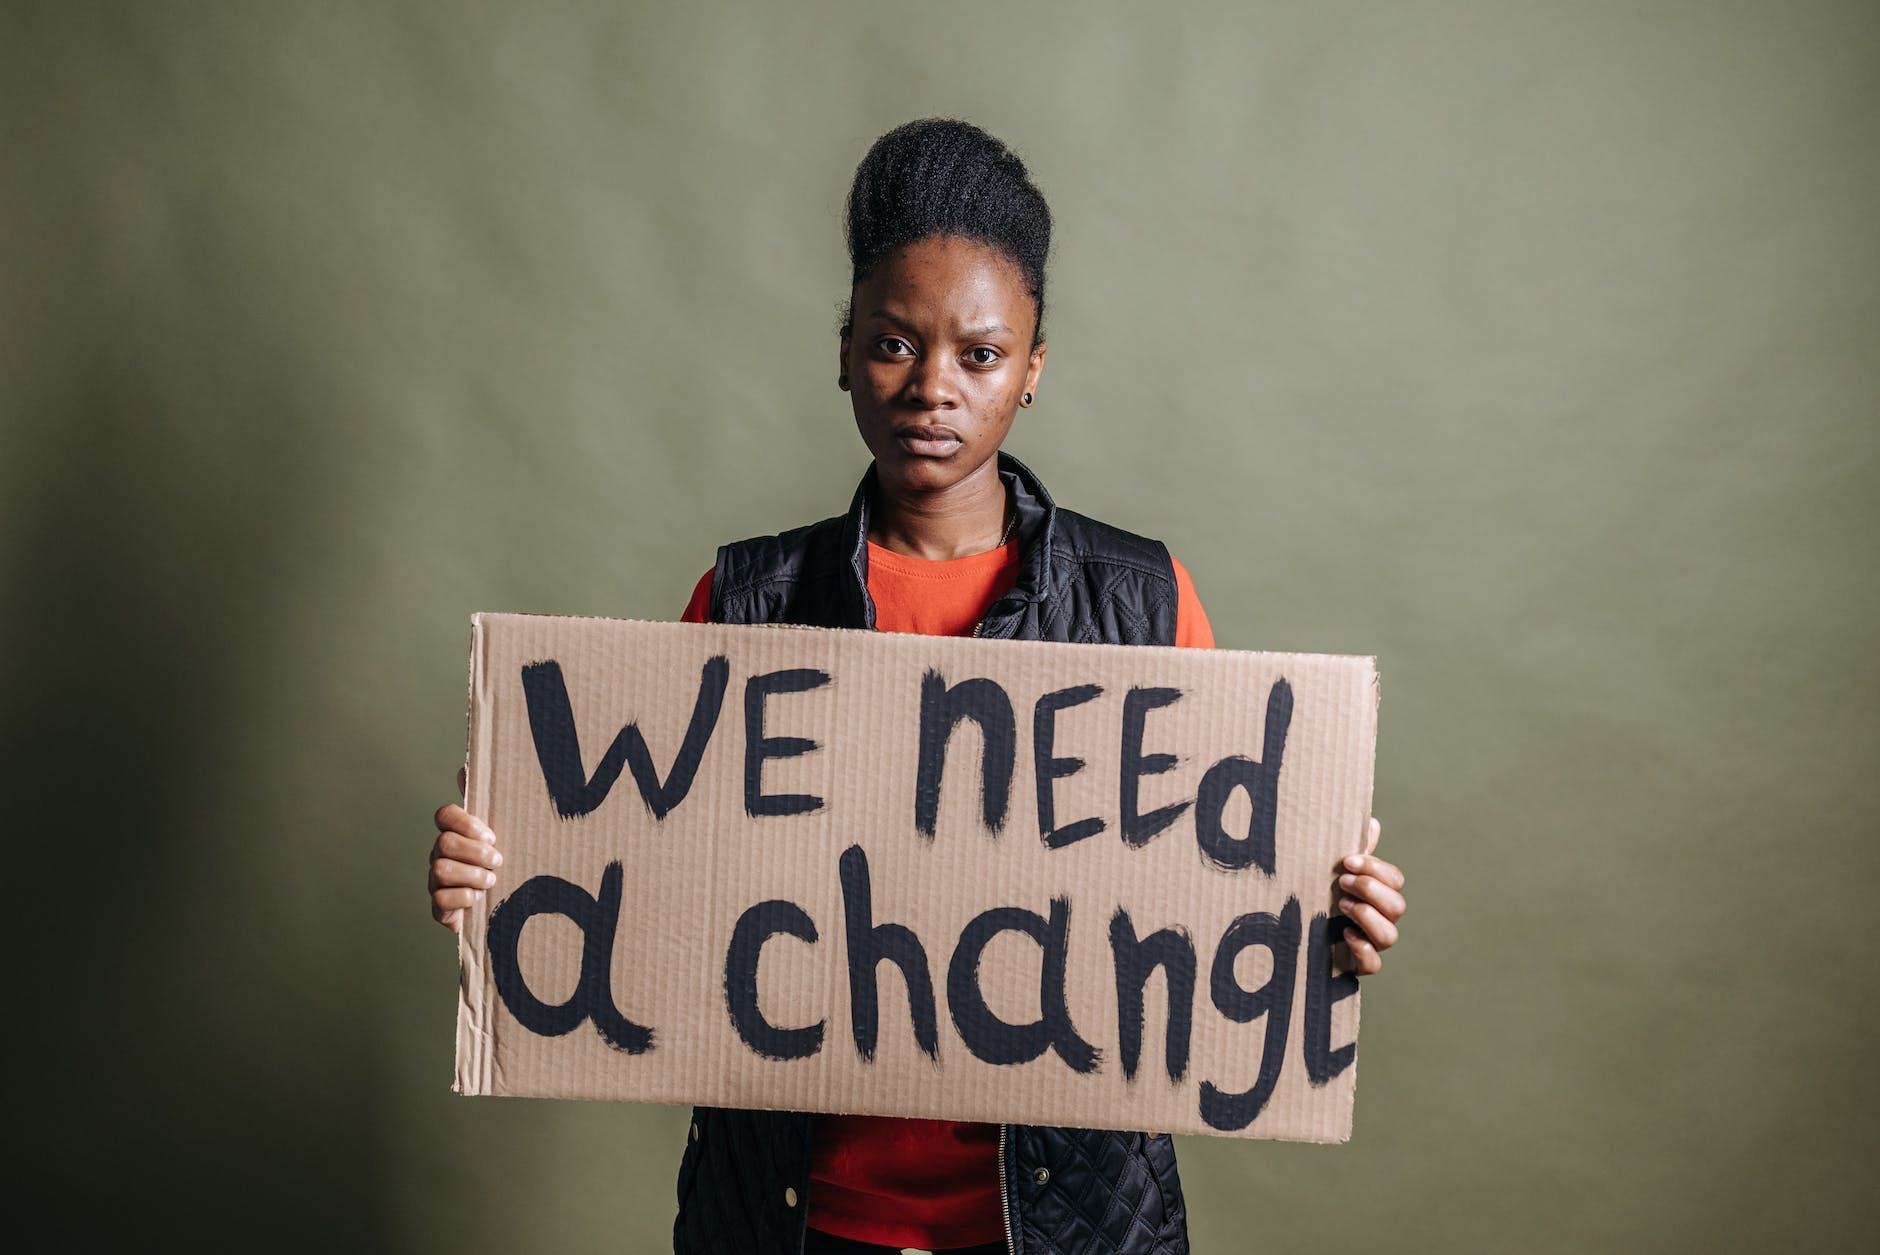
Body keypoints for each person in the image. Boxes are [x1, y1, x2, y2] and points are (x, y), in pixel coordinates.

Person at [428, 118, 1408, 1255]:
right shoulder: (747, 601)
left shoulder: (1140, 603)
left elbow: (1205, 904)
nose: (931, 387)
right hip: (796, 1223)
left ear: (1032, 368)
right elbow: (649, 886)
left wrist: (1320, 927)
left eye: (979, 356)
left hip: (1060, 1228)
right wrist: (502, 871)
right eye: (893, 345)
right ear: (843, 349)